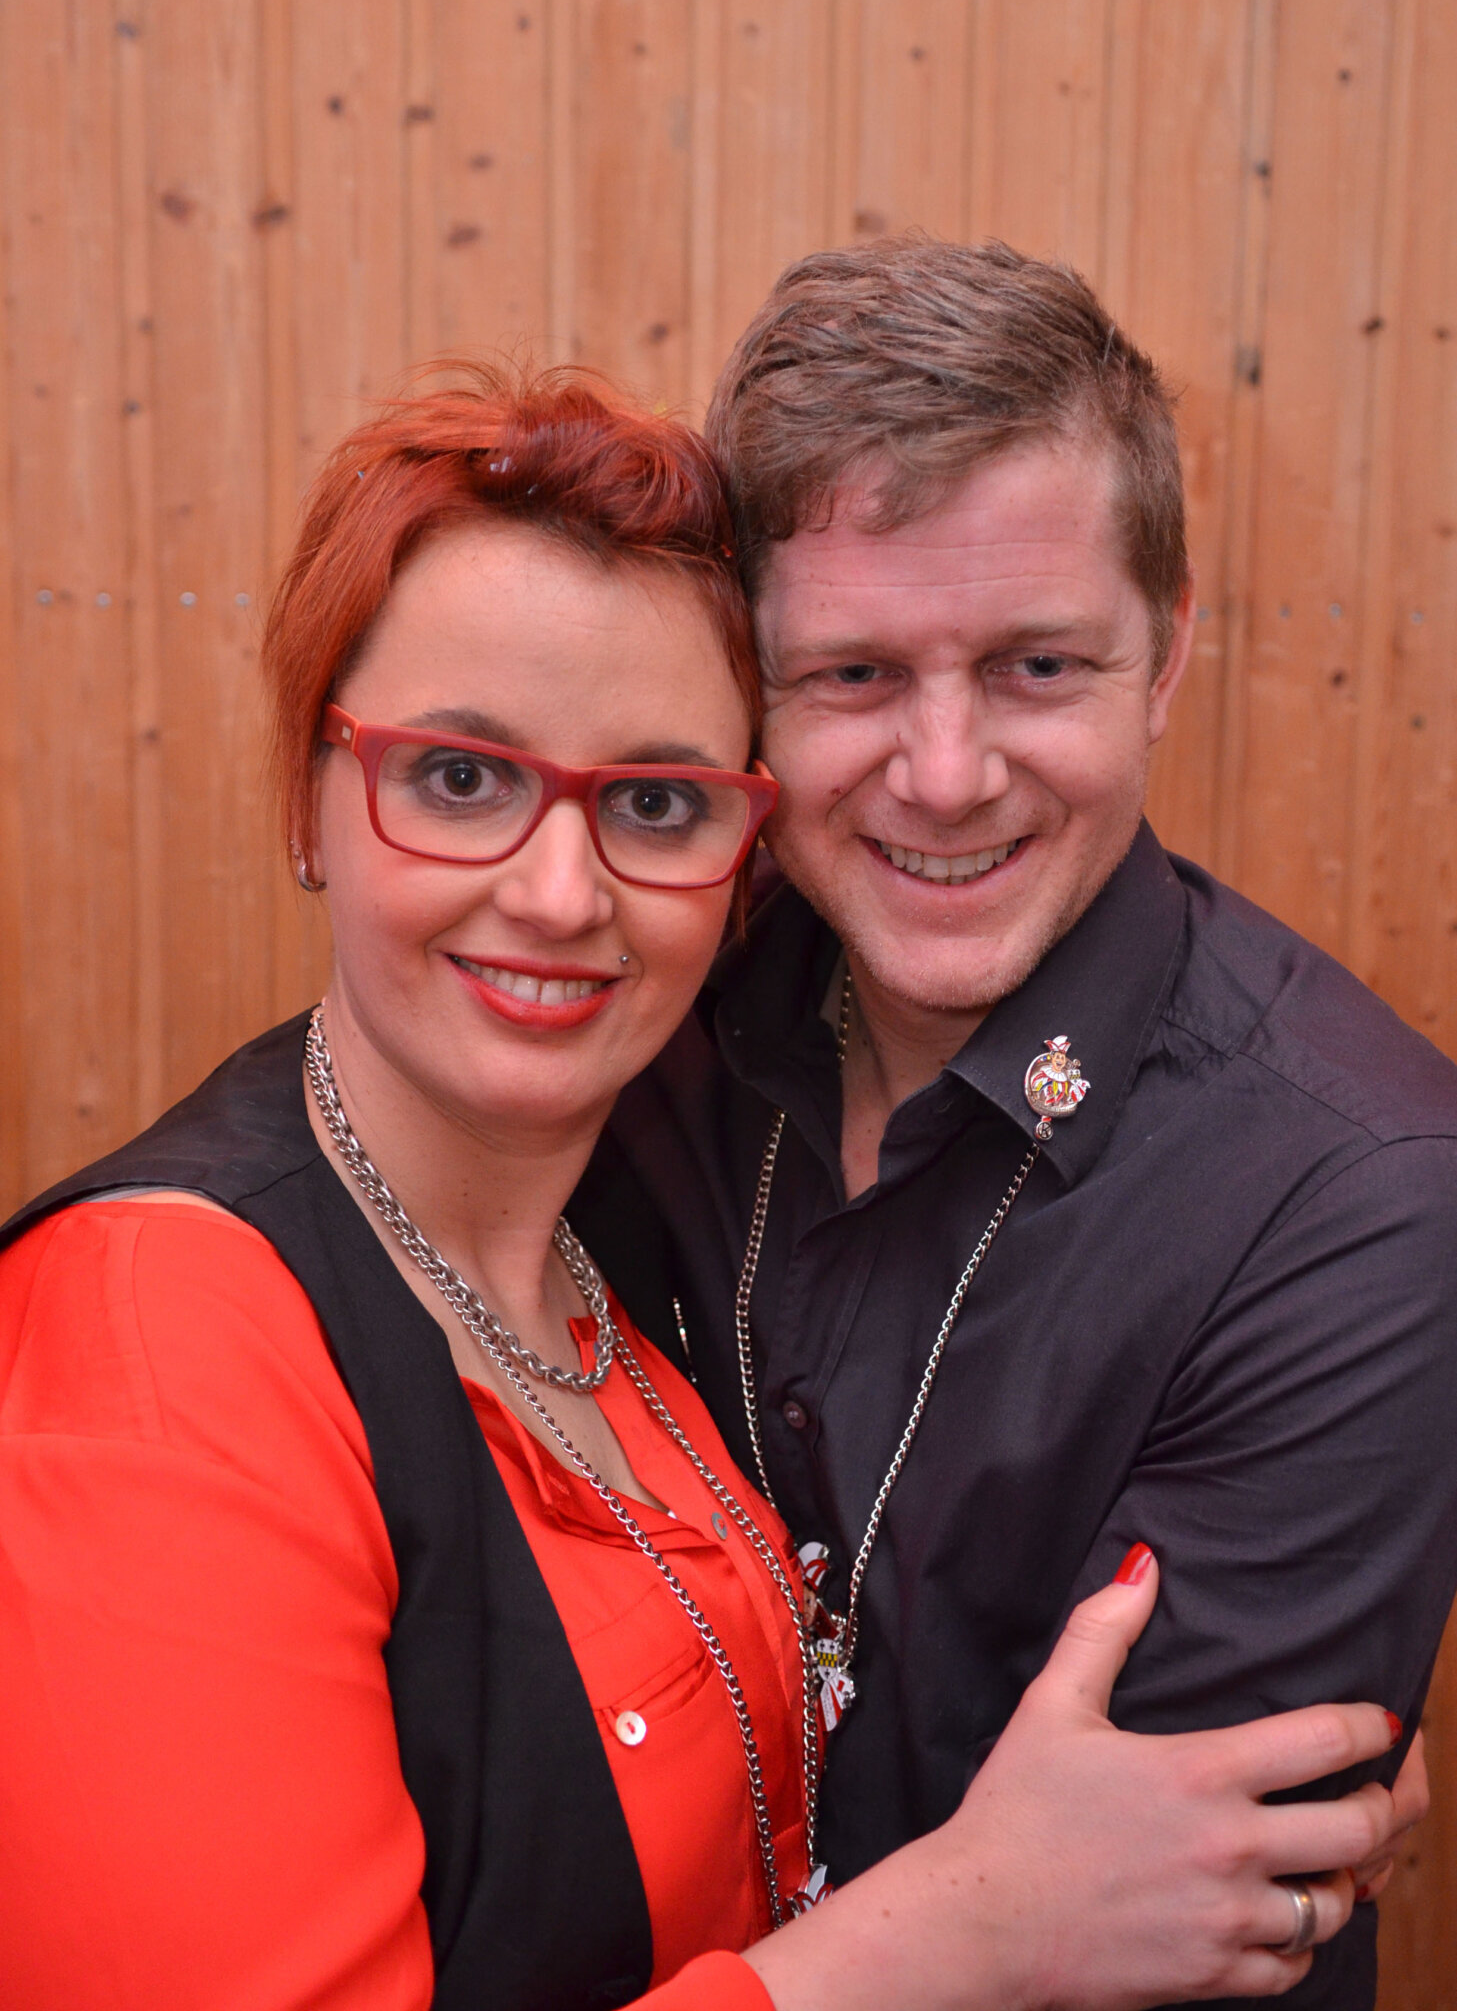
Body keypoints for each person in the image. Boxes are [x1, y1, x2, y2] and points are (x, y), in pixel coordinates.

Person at [0, 371, 1420, 2011]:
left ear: (739, 848)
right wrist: (968, 1924)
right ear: (309, 796)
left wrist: (1150, 1820)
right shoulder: (153, 1356)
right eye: (459, 778)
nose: (558, 893)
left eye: (656, 803)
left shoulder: (598, 1223)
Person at [570, 239, 1457, 2011]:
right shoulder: (636, 1011)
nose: (946, 772)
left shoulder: (1357, 1195)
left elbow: (1163, 1936)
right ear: (746, 678)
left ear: (1166, 655)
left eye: (1037, 665)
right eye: (850, 676)